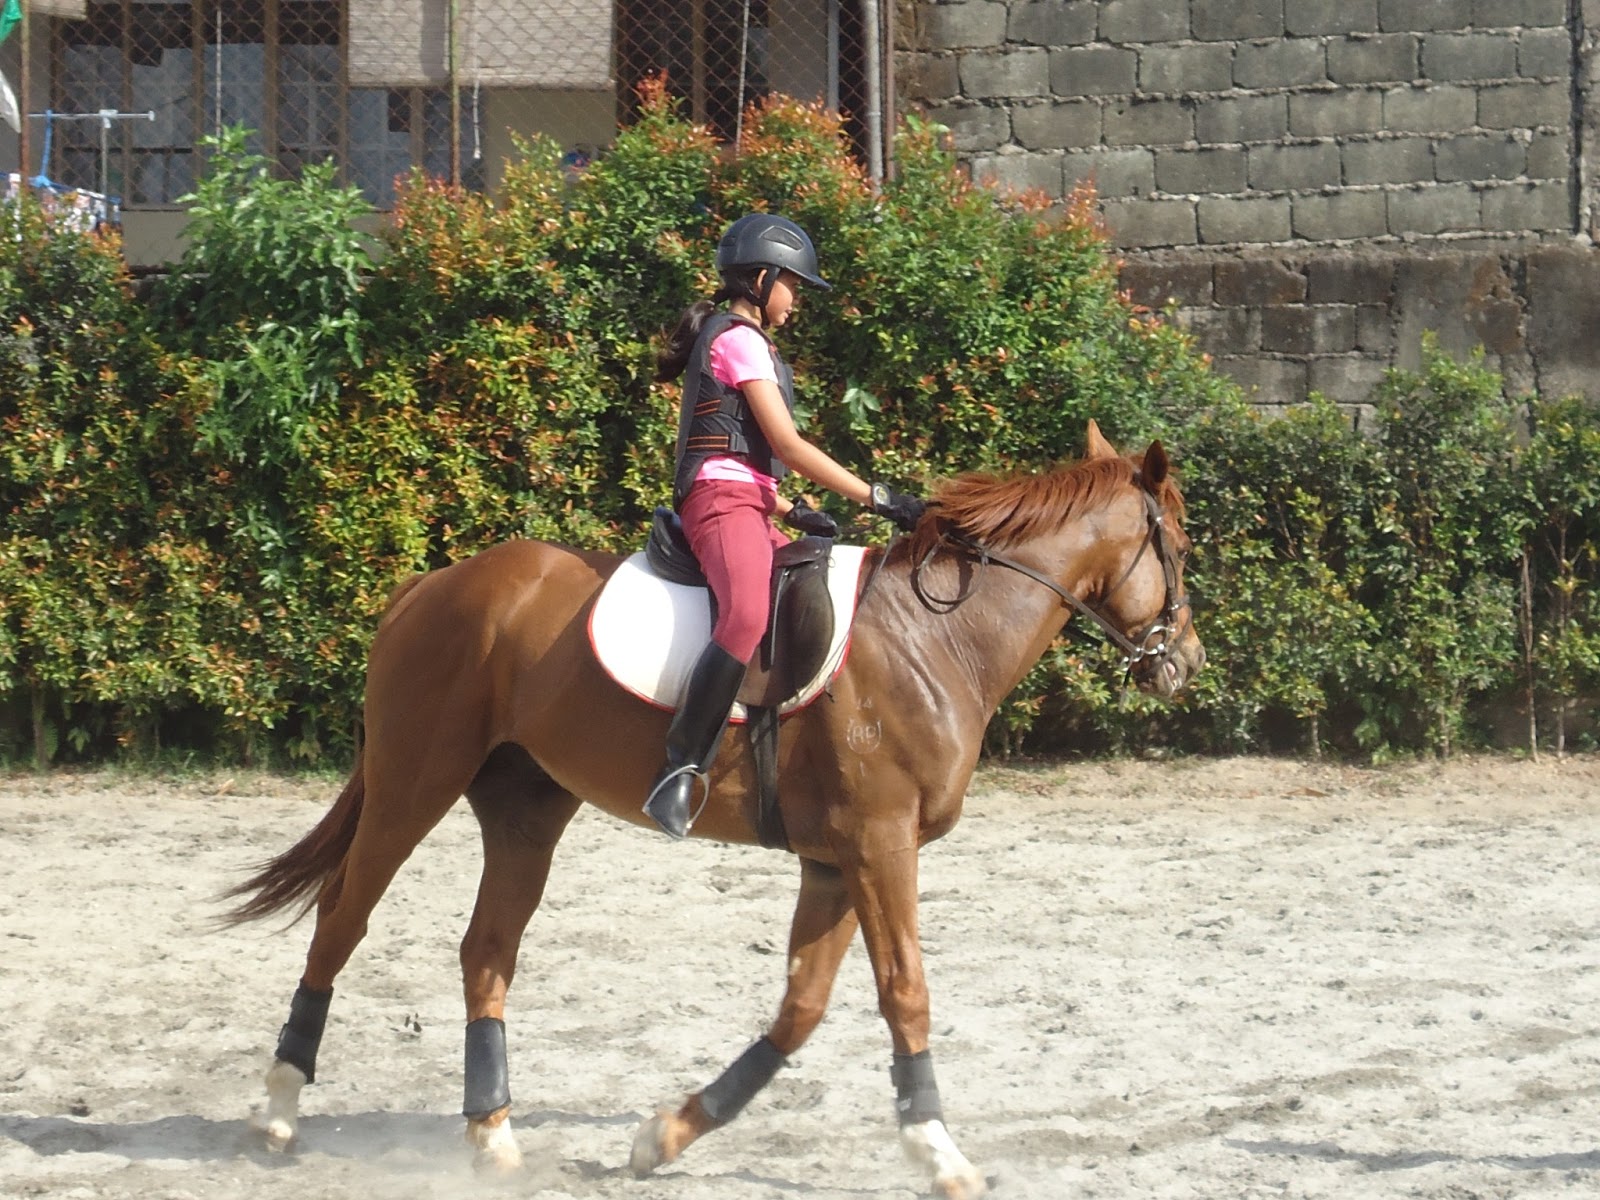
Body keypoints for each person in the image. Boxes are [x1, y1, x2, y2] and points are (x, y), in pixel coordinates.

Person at [643, 212, 927, 838]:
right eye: (793, 285)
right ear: (762, 277)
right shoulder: (738, 340)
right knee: (745, 614)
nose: (796, 299)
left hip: (745, 499)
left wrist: (788, 508)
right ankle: (680, 767)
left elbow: (744, 452)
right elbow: (787, 445)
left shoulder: (751, 342)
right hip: (717, 503)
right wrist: (878, 497)